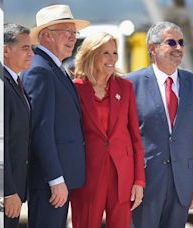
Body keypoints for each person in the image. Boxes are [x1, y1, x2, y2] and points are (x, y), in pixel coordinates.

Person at [127, 21, 193, 228]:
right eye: (171, 42)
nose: (178, 48)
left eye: (181, 42)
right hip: (144, 185)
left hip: (182, 186)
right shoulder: (130, 85)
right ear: (152, 48)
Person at [21, 4, 89, 227]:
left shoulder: (53, 67)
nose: (72, 38)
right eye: (66, 32)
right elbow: (40, 129)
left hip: (58, 178)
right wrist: (55, 178)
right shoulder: (40, 69)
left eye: (74, 33)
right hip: (50, 180)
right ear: (47, 35)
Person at [70, 32, 145, 228]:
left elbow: (136, 137)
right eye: (106, 53)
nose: (112, 59)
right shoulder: (75, 89)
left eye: (115, 53)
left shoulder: (125, 87)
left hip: (122, 175)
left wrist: (139, 180)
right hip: (87, 175)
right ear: (92, 54)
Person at [3, 23, 33, 228]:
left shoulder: (16, 82)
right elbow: (2, 142)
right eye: (25, 48)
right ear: (6, 50)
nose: (31, 53)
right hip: (7, 193)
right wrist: (8, 190)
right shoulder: (3, 85)